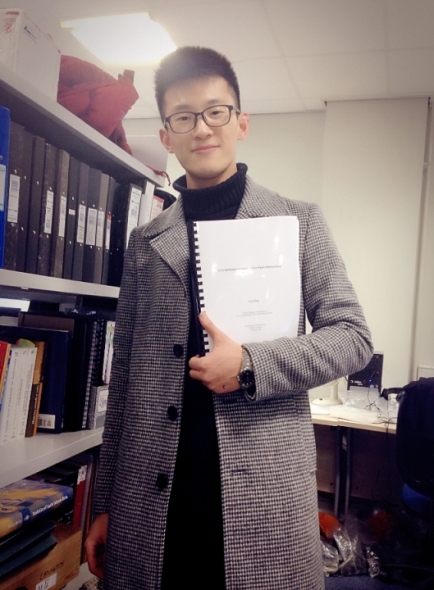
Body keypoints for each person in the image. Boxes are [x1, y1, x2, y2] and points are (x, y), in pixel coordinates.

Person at [85, 46, 373, 590]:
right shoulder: (146, 242)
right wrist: (104, 503)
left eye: (216, 112)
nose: (202, 128)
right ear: (166, 136)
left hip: (261, 497)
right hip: (153, 499)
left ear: (241, 122)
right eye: (183, 117)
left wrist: (249, 365)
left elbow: (352, 338)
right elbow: (123, 382)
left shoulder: (298, 223)